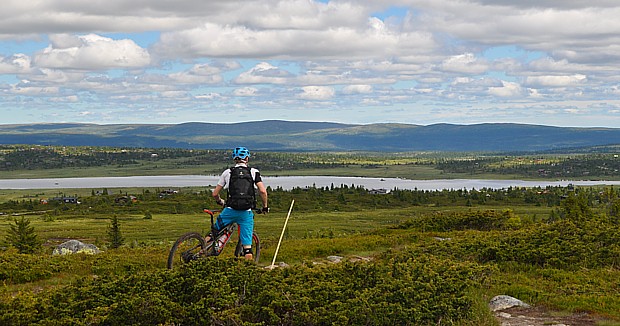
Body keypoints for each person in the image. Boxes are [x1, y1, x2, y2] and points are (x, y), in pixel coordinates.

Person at [212, 146, 268, 260]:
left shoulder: (228, 172)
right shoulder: (253, 172)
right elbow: (262, 191)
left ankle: (202, 250)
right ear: (247, 158)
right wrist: (265, 207)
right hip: (245, 213)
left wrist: (220, 201)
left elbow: (215, 194)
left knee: (213, 234)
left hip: (229, 210)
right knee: (247, 248)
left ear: (234, 159)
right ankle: (249, 272)